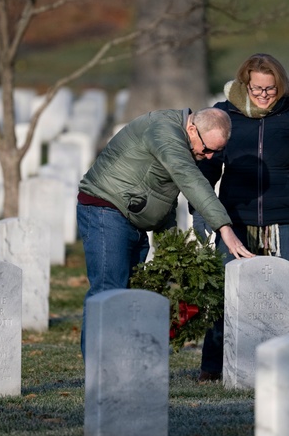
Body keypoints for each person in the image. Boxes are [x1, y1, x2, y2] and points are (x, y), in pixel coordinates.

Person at [194, 53, 289, 382]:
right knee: (225, 291)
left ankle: (277, 363)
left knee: (276, 294)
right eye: (257, 89)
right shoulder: (225, 112)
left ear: (280, 86)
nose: (263, 95)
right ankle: (213, 365)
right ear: (245, 84)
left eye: (270, 89)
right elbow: (209, 165)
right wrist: (201, 210)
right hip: (235, 216)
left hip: (281, 215)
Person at [77, 106, 254, 357]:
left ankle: (120, 363)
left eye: (218, 151)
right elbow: (189, 178)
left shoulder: (184, 138)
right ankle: (99, 370)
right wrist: (225, 228)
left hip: (133, 217)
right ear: (192, 129)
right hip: (106, 209)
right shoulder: (164, 132)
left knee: (129, 292)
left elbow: (163, 196)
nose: (211, 156)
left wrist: (174, 250)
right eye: (208, 149)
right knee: (109, 290)